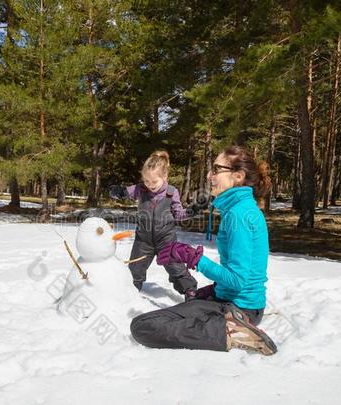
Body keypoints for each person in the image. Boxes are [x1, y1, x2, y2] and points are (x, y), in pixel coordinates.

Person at [129, 145, 277, 355]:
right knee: (186, 305)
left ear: (237, 176)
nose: (209, 175)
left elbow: (238, 280)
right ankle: (229, 324)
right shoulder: (239, 209)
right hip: (238, 303)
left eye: (216, 169)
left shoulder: (239, 215)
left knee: (143, 326)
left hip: (240, 307)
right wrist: (212, 291)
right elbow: (245, 271)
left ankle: (230, 332)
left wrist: (194, 258)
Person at [109, 150, 203, 301]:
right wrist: (118, 191)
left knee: (175, 266)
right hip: (143, 239)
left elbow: (179, 215)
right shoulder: (141, 189)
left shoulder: (171, 193)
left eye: (154, 182)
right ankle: (130, 291)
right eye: (146, 181)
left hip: (166, 239)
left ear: (164, 177)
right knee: (135, 267)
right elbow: (125, 191)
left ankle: (190, 291)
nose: (150, 185)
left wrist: (193, 210)